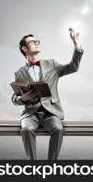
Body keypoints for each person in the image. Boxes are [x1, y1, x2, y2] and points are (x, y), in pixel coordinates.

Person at [11, 32, 83, 160]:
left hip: (51, 112)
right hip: (30, 113)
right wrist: (23, 98)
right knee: (26, 130)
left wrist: (77, 45)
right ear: (24, 48)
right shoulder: (19, 73)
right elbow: (14, 98)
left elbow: (73, 67)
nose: (37, 43)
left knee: (58, 129)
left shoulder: (52, 64)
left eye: (37, 41)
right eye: (32, 42)